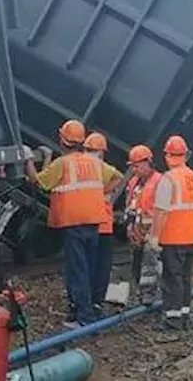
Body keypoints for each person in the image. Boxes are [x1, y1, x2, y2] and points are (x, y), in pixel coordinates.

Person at [22, 119, 121, 329]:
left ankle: (84, 318)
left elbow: (38, 182)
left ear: (63, 140)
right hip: (94, 222)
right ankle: (85, 312)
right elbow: (117, 177)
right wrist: (98, 193)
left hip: (73, 224)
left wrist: (29, 158)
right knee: (87, 267)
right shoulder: (94, 163)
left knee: (78, 270)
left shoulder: (63, 164)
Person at [146, 135, 193, 330]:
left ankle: (173, 319)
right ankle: (185, 315)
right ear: (185, 155)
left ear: (167, 156)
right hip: (191, 238)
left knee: (172, 279)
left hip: (172, 238)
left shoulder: (168, 180)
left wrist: (155, 237)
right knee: (185, 277)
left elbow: (161, 211)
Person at [82, 132, 124, 313]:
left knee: (85, 264)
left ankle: (84, 301)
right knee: (101, 266)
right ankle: (96, 301)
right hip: (103, 224)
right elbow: (120, 177)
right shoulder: (104, 168)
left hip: (85, 222)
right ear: (102, 152)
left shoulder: (80, 167)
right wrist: (102, 191)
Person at [123, 143, 162, 304]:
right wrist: (130, 226)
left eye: (137, 166)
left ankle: (148, 295)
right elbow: (130, 206)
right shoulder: (133, 182)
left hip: (153, 231)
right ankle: (140, 291)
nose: (134, 170)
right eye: (132, 166)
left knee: (150, 263)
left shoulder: (160, 181)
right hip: (137, 230)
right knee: (137, 263)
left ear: (147, 163)